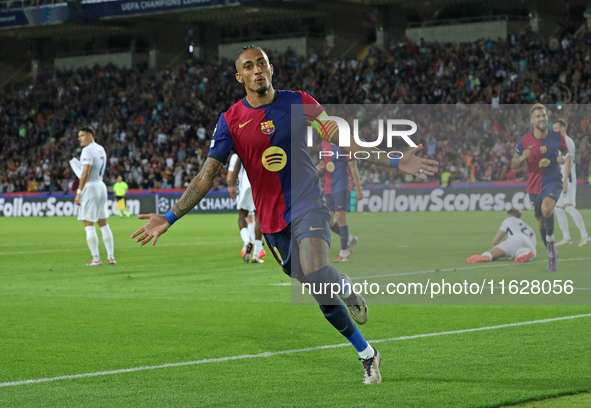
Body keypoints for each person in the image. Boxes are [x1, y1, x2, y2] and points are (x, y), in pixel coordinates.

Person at [131, 46, 438, 384]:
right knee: (316, 285)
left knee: (317, 269)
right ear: (240, 77)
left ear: (271, 68)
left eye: (261, 63)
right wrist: (169, 217)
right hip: (271, 220)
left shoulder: (299, 101)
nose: (256, 69)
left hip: (308, 203)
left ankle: (358, 338)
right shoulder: (231, 120)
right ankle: (365, 344)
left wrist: (395, 160)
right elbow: (207, 175)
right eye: (248, 66)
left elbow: (343, 141)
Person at [511, 104, 567, 272]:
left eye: (543, 115)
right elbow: (514, 164)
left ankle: (551, 249)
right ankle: (551, 248)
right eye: (538, 116)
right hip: (534, 186)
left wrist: (562, 158)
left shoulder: (557, 137)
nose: (542, 119)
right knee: (541, 221)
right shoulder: (524, 140)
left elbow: (565, 152)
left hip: (553, 181)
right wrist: (522, 158)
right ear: (531, 120)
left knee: (547, 208)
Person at [74, 126, 116, 266]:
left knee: (89, 224)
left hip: (90, 187)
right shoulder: (100, 148)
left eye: (82, 135)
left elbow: (85, 172)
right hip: (101, 186)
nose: (79, 138)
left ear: (90, 135)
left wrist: (79, 192)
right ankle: (111, 257)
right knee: (103, 224)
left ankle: (96, 259)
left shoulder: (87, 150)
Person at [316, 139, 363, 262]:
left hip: (342, 185)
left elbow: (353, 168)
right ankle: (349, 239)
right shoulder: (323, 144)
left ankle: (344, 252)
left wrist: (358, 189)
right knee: (329, 220)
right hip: (328, 187)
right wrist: (319, 166)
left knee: (341, 218)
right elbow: (322, 162)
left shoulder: (346, 144)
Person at [552, 119, 591, 247]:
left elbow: (569, 161)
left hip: (567, 178)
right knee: (558, 208)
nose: (553, 131)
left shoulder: (568, 142)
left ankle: (585, 236)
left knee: (569, 207)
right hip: (560, 178)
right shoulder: (559, 143)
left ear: (563, 129)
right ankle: (566, 238)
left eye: (556, 128)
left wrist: (565, 182)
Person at [227, 153, 266, 263]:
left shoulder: (240, 150)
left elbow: (236, 167)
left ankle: (247, 240)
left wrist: (232, 186)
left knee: (242, 216)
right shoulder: (261, 146)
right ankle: (256, 254)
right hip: (259, 183)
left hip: (245, 184)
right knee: (258, 217)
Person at [466, 208, 536, 263]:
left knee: (492, 254)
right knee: (521, 250)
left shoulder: (509, 220)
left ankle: (487, 256)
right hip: (531, 247)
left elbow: (496, 241)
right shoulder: (529, 228)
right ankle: (523, 254)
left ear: (509, 215)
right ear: (520, 217)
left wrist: (494, 250)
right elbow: (533, 243)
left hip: (516, 239)